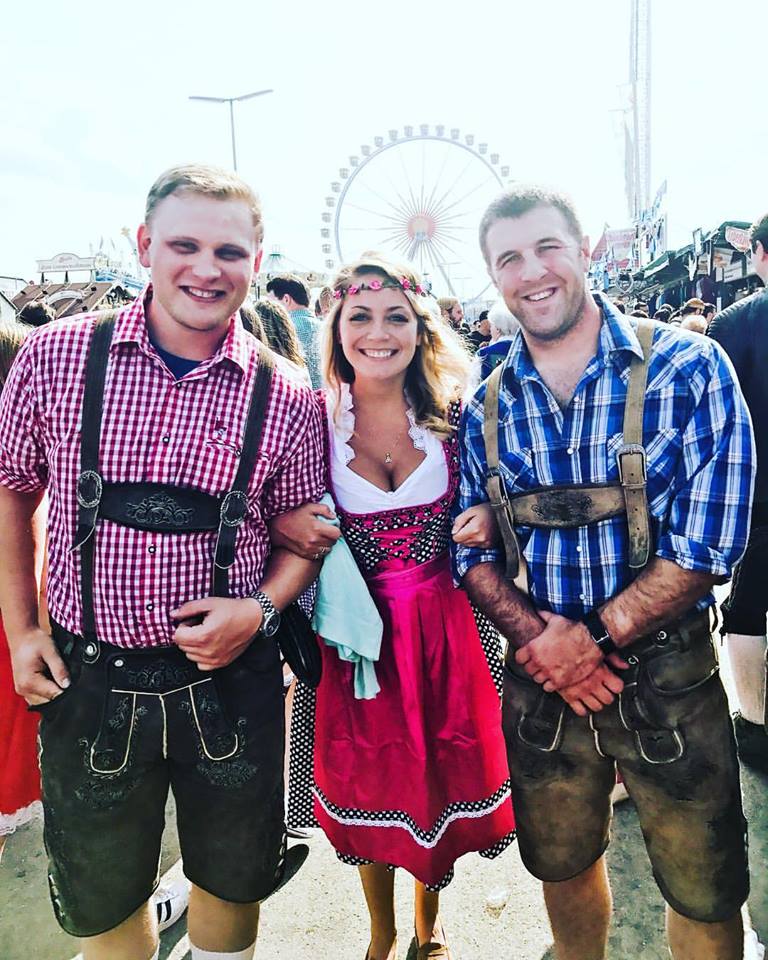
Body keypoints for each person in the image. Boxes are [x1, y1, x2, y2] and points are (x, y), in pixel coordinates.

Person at [0, 163, 326, 960]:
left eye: (229, 251)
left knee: (233, 881)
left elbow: (305, 538)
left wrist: (260, 610)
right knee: (105, 897)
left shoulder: (288, 393)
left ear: (256, 260)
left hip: (233, 682)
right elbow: (12, 487)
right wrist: (22, 630)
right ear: (145, 244)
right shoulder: (56, 356)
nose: (207, 269)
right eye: (185, 245)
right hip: (88, 675)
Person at [456, 185, 754, 960]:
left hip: (669, 679)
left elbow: (710, 545)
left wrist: (585, 642)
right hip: (542, 685)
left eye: (547, 247)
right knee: (562, 867)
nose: (532, 272)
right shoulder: (483, 402)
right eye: (509, 258)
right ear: (493, 273)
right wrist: (540, 642)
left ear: (585, 250)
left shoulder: (690, 366)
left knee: (703, 887)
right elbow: (469, 552)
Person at [270, 254, 514, 960]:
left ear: (420, 329)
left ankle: (428, 927)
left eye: (395, 318)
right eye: (361, 317)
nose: (378, 333)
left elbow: (505, 499)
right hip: (354, 641)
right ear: (336, 328)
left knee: (439, 782)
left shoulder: (457, 417)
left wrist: (490, 520)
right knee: (367, 784)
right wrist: (287, 524)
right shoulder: (311, 422)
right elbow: (265, 506)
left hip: (447, 632)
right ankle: (381, 934)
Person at [708, 210, 768, 774]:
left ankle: (754, 722)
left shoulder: (734, 324)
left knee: (748, 609)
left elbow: (718, 425)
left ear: (759, 254)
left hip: (759, 496)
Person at [266, 273, 323, 388]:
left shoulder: (283, 329)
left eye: (271, 303)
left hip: (297, 393)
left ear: (286, 299)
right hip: (327, 395)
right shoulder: (324, 327)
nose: (269, 308)